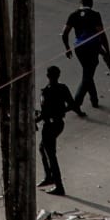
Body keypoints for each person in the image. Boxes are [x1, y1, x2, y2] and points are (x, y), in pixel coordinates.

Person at [63, 0, 110, 109]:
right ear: (91, 3)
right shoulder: (95, 15)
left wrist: (67, 48)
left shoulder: (73, 15)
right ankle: (76, 102)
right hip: (93, 48)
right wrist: (107, 52)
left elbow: (64, 33)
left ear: (80, 3)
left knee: (87, 72)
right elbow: (102, 35)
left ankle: (94, 100)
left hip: (79, 49)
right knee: (87, 75)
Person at [36, 65, 82, 195]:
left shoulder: (46, 92)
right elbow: (73, 105)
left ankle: (58, 185)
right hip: (59, 123)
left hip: (49, 125)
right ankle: (49, 177)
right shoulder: (63, 88)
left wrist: (35, 120)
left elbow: (44, 113)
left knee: (50, 155)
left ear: (48, 76)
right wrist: (60, 111)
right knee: (42, 148)